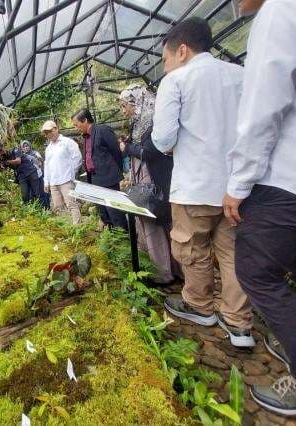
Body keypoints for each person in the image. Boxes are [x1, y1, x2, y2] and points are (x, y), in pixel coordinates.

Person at [223, 0, 296, 416]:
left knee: (256, 271)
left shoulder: (281, 10)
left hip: (289, 176)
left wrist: (239, 183)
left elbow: (263, 106)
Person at [151, 17, 254, 347]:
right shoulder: (241, 75)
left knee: (192, 250)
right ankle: (239, 324)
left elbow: (163, 138)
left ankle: (199, 306)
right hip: (235, 187)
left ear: (182, 50)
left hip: (194, 186)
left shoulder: (176, 81)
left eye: (165, 58)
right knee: (233, 254)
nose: (165, 66)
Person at [118, 84, 181, 284]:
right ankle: (158, 269)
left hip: (153, 180)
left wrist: (127, 147)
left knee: (154, 222)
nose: (124, 110)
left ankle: (164, 273)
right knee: (148, 222)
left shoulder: (154, 121)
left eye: (125, 105)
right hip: (143, 179)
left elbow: (150, 152)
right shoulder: (138, 123)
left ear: (137, 102)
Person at [71, 109, 128, 230]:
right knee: (104, 214)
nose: (76, 128)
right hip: (95, 180)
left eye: (76, 125)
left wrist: (116, 173)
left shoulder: (103, 130)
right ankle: (112, 240)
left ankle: (125, 240)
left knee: (115, 213)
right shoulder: (86, 137)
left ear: (85, 120)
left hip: (108, 179)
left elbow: (116, 152)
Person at [40, 120, 82, 224]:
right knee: (58, 207)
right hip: (54, 182)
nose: (48, 134)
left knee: (72, 204)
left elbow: (77, 157)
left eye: (50, 131)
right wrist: (46, 182)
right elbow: (47, 165)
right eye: (46, 133)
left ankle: (78, 228)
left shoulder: (67, 142)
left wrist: (72, 173)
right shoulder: (48, 148)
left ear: (56, 129)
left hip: (66, 180)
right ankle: (68, 228)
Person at [20, 140, 50, 209]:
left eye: (27, 146)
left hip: (39, 175)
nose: (26, 148)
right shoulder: (21, 156)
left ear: (29, 146)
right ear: (21, 148)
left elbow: (41, 162)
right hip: (28, 178)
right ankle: (37, 209)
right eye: (23, 147)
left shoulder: (35, 153)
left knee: (43, 192)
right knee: (32, 194)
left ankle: (47, 208)